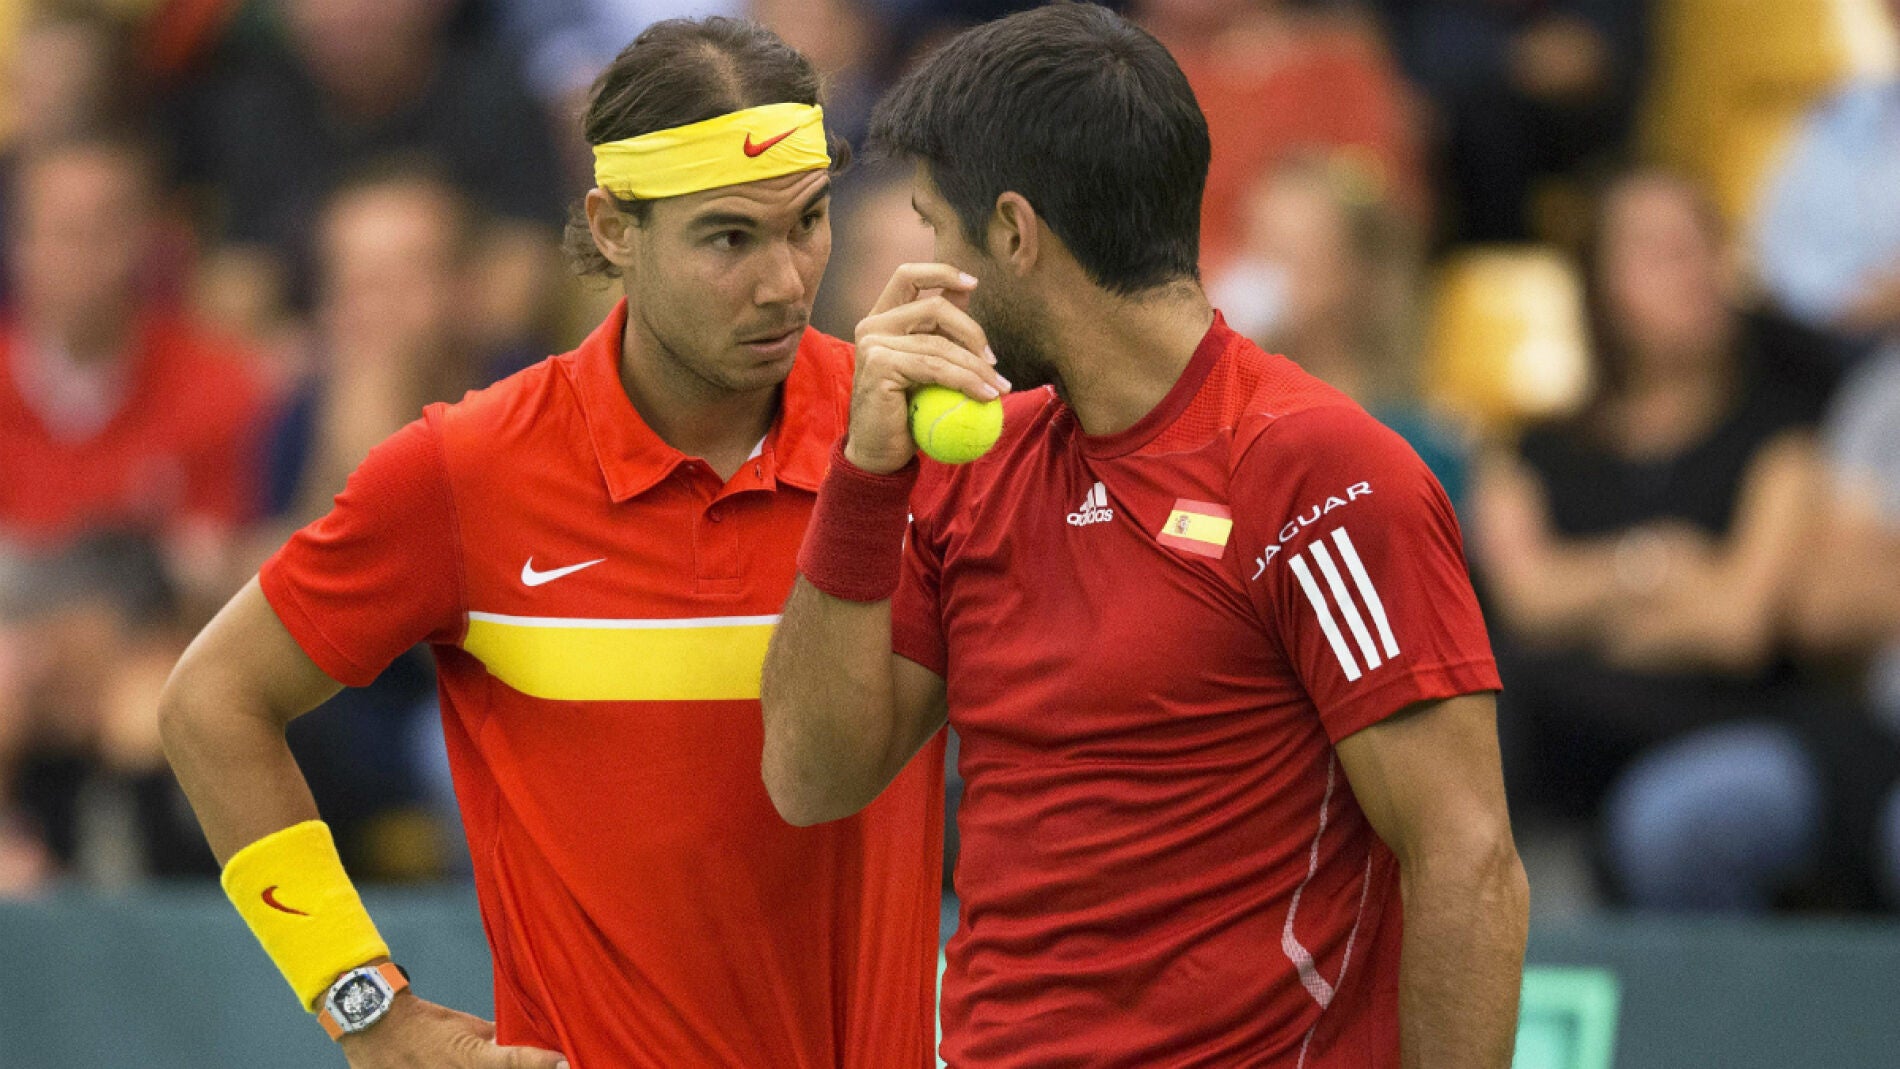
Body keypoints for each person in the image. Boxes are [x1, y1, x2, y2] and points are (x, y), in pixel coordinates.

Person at [159, 18, 943, 1068]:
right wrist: (366, 1012)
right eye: (727, 238)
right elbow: (210, 703)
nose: (784, 283)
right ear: (612, 228)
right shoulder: (466, 469)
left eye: (806, 222)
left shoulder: (912, 444)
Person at [761, 7, 1525, 1067]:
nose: (920, 276)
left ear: (1017, 235)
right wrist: (861, 482)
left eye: (936, 229)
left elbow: (1466, 859)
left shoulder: (1319, 476)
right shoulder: (968, 469)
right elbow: (810, 777)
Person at [1469, 171, 1864, 910]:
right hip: (1565, 730)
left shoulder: (1783, 437)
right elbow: (1524, 599)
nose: (1693, 272)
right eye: (1657, 252)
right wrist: (1661, 562)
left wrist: (1585, 606)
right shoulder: (1535, 448)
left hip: (1721, 719)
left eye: (1702, 245)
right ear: (1601, 285)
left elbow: (1737, 625)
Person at [0, 133, 265, 890]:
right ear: (21, 243)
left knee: (158, 709)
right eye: (62, 228)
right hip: (20, 667)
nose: (86, 252)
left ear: (150, 242)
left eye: (109, 225)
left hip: (157, 656)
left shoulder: (222, 385)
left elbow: (227, 573)